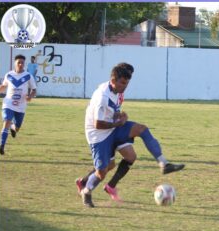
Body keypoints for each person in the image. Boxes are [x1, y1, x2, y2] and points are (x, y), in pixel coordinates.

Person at [79, 63, 185, 208]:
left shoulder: (118, 91)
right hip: (98, 135)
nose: (125, 86)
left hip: (113, 127)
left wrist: (121, 115)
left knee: (140, 132)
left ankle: (163, 164)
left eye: (127, 83)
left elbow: (114, 111)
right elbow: (98, 124)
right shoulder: (102, 97)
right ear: (113, 80)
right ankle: (86, 191)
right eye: (123, 83)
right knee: (103, 171)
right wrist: (118, 123)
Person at [0, 54, 37, 155]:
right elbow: (4, 85)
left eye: (22, 63)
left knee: (17, 127)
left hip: (21, 106)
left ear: (24, 64)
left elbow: (34, 90)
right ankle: (1, 146)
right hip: (8, 103)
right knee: (6, 121)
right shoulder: (9, 75)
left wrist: (30, 96)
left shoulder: (28, 76)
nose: (20, 64)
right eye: (18, 62)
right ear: (15, 63)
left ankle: (13, 127)